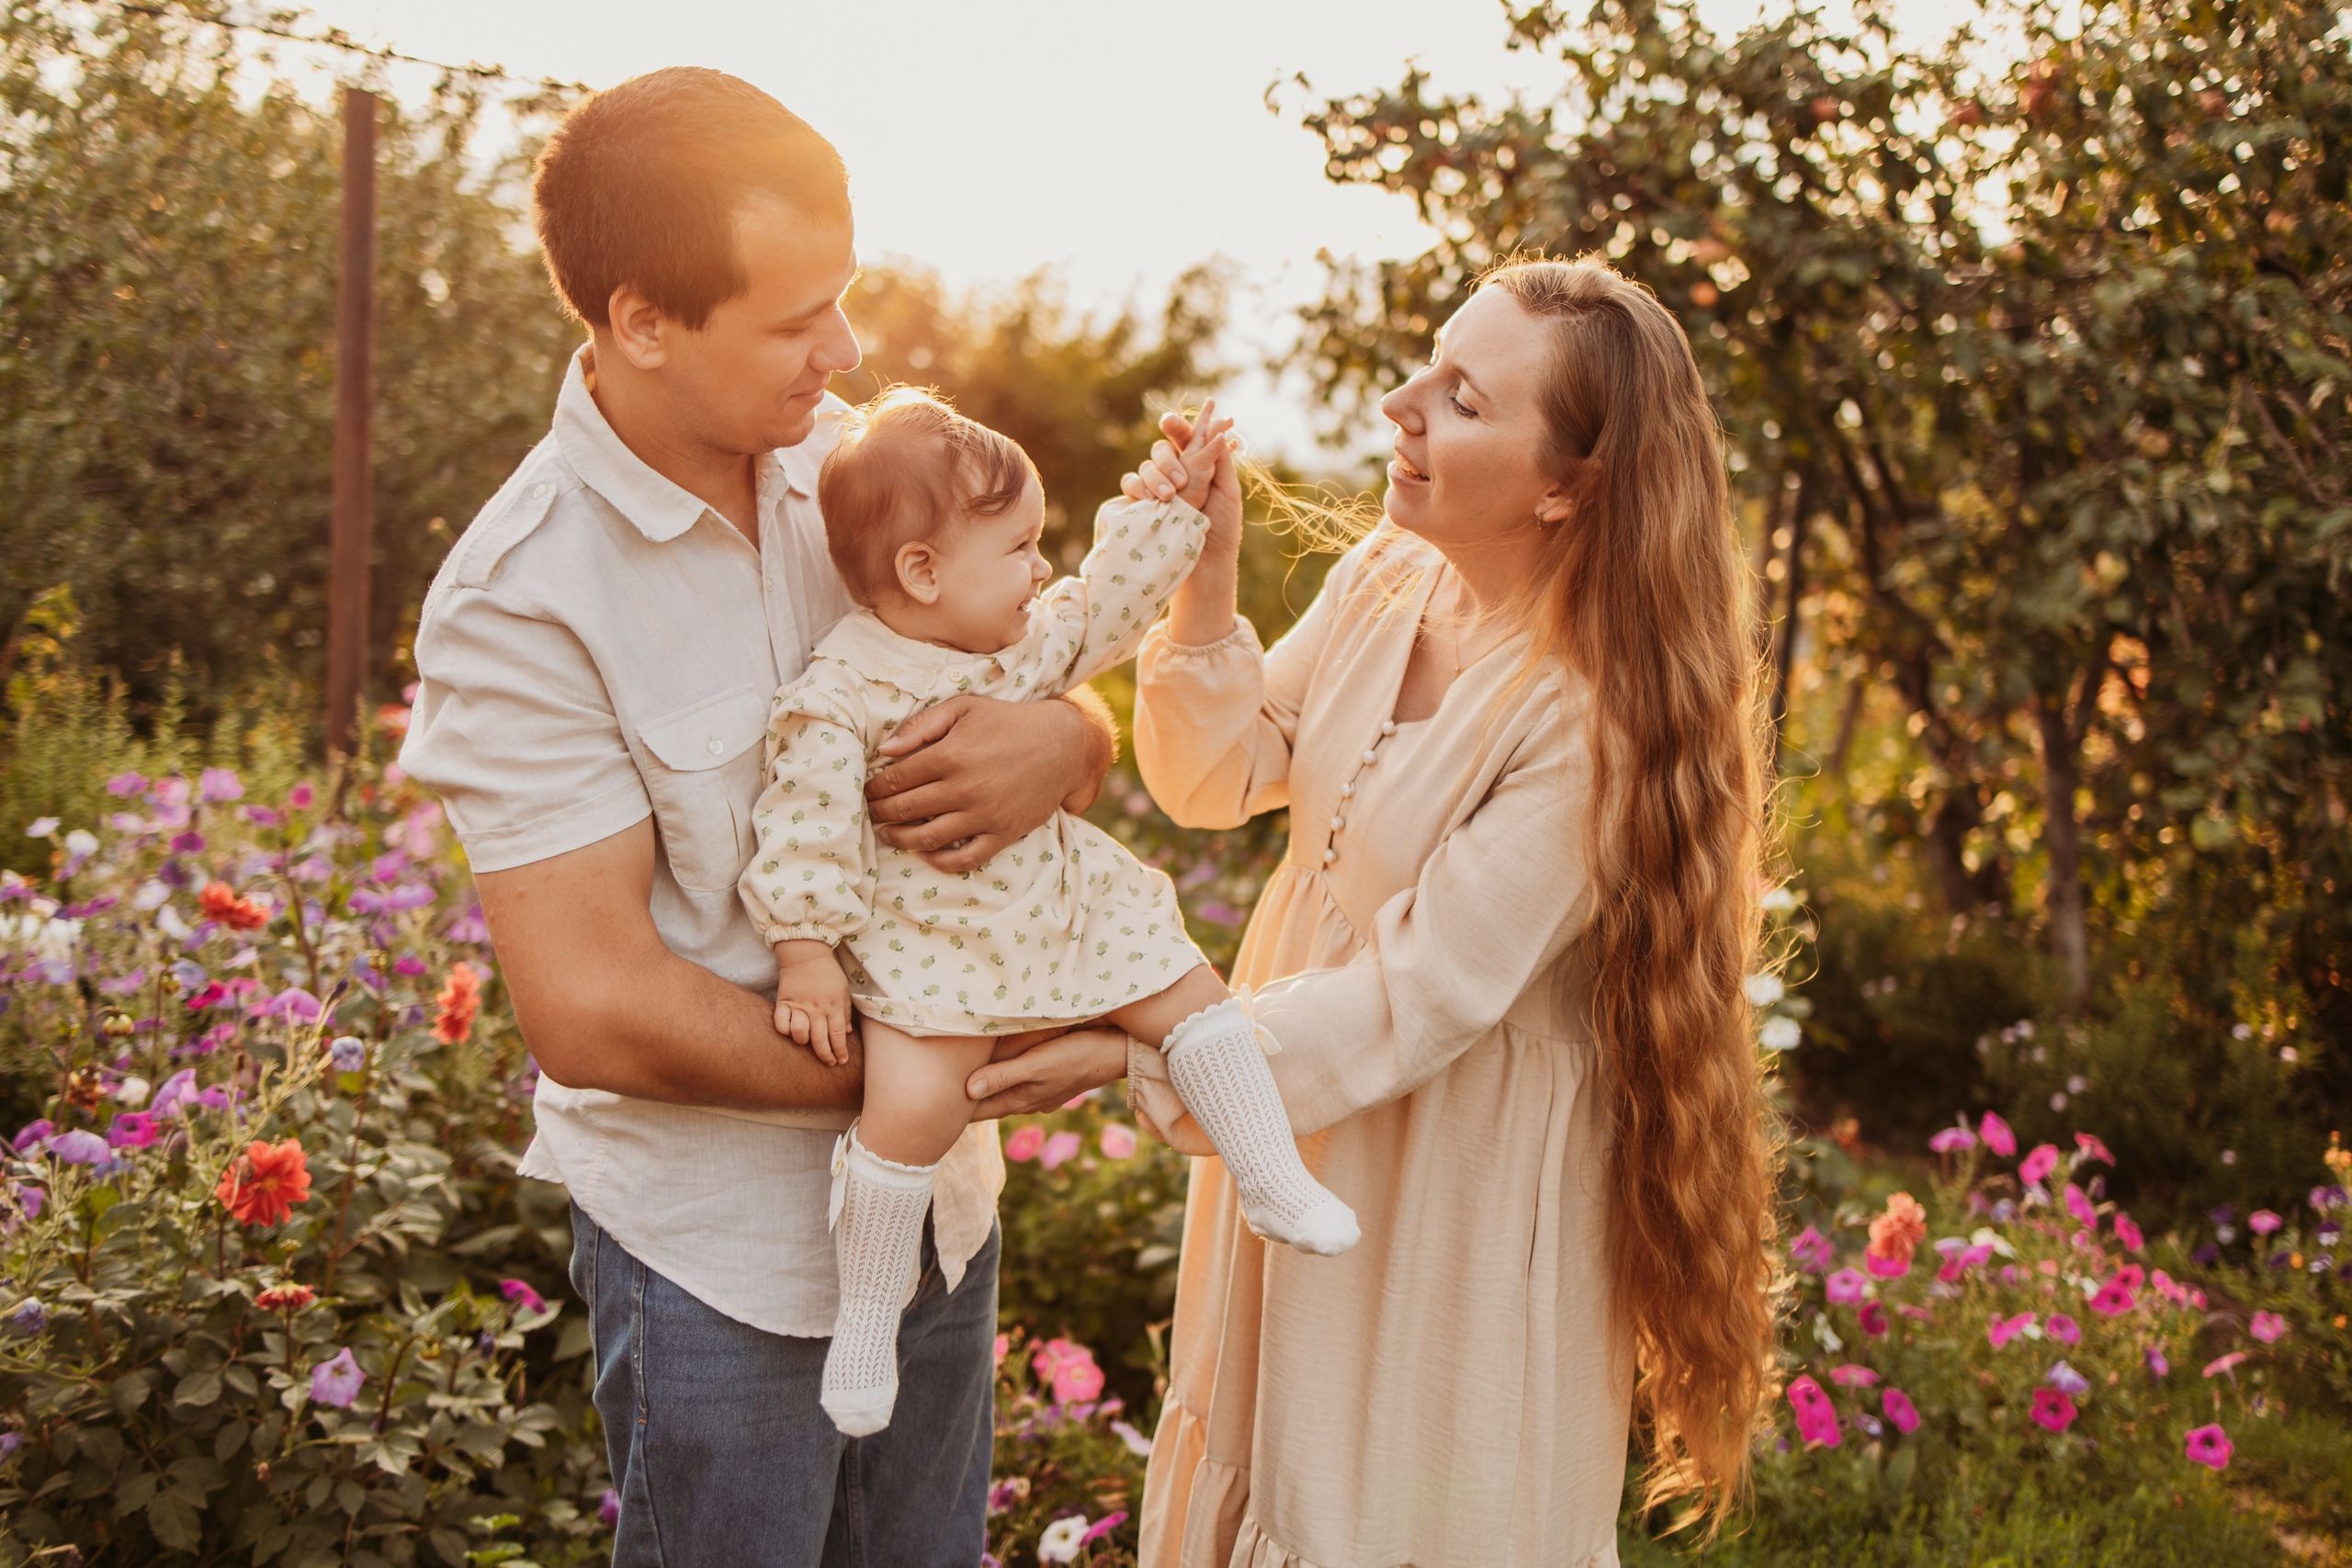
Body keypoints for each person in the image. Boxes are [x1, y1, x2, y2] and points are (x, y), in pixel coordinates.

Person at [398, 68, 1125, 1567]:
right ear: (640, 318)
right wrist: (954, 1066)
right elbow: (597, 1007)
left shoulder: (865, 470)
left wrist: (1069, 738)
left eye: (843, 300)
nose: (845, 350)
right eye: (796, 318)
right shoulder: (522, 598)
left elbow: (1039, 667)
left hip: (934, 1223)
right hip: (719, 1261)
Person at [1103, 255, 1781, 1566]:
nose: (1403, 404)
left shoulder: (1592, 713)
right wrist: (1205, 577)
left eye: (1462, 397)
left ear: (1566, 485)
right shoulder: (1388, 578)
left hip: (1453, 1170)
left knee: (1390, 1502)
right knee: (1272, 1470)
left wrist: (1151, 1041)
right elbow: (1210, 772)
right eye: (1429, 364)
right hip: (1299, 1111)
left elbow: (1416, 998)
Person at [742, 388, 1357, 1438]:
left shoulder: (1019, 642)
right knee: (910, 1111)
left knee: (1192, 998)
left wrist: (1177, 503)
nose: (1040, 570)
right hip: (931, 943)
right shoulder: (843, 686)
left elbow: (1104, 602)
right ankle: (864, 1318)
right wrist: (804, 952)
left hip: (1066, 905)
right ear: (922, 571)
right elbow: (801, 818)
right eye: (1020, 547)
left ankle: (1269, 1174)